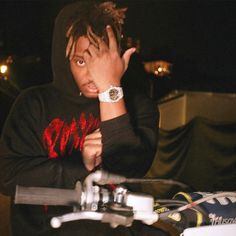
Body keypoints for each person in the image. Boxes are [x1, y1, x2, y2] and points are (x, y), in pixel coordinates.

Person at [0, 1, 159, 235]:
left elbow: (131, 166)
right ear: (66, 61)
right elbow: (8, 174)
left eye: (102, 61)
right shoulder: (34, 103)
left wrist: (110, 90)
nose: (93, 75)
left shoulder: (139, 105)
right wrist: (79, 165)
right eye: (81, 61)